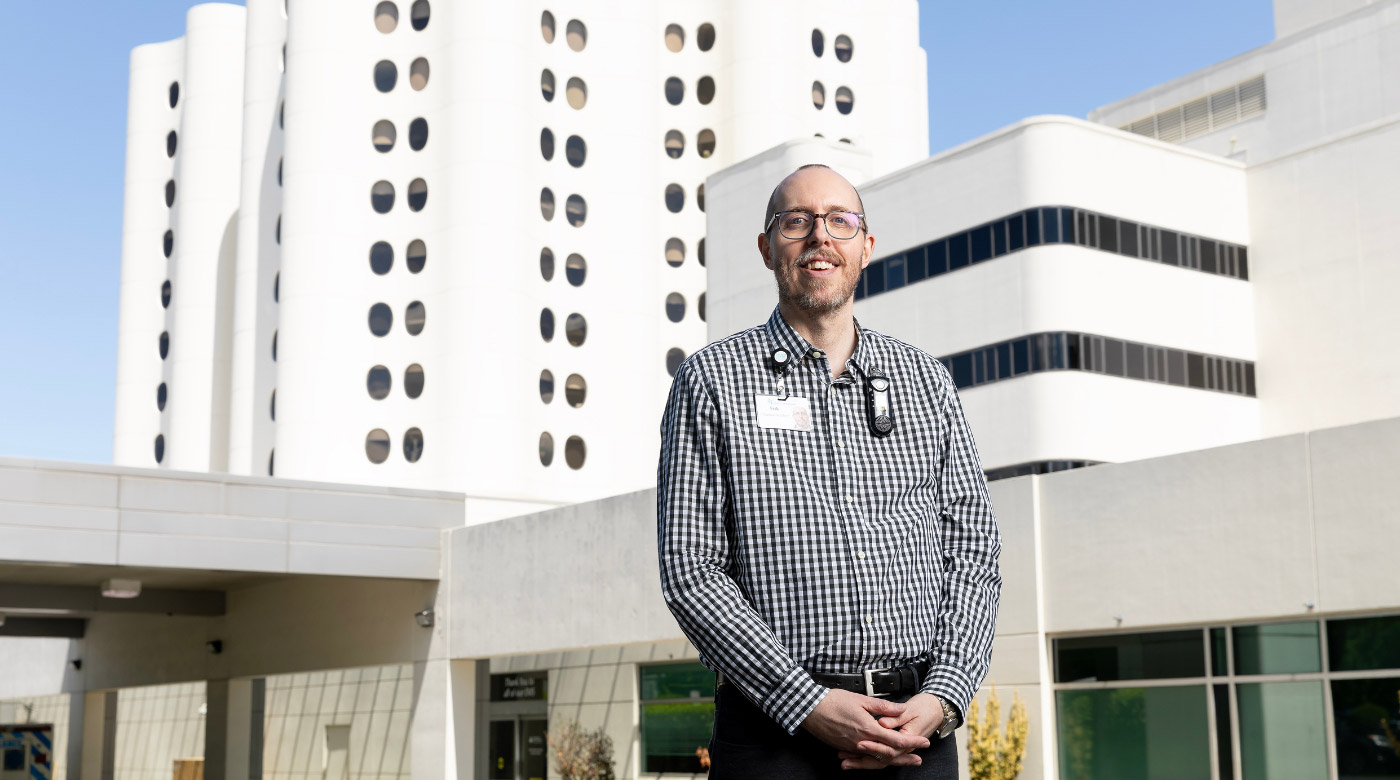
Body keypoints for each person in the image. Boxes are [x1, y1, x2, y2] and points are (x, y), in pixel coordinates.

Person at [657, 164, 1002, 778]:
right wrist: (808, 702)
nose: (821, 236)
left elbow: (973, 551)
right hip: (773, 737)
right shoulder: (711, 381)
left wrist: (943, 697)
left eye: (840, 221)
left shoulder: (926, 381)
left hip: (914, 733)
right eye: (797, 222)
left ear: (865, 247)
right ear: (768, 249)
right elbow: (692, 571)